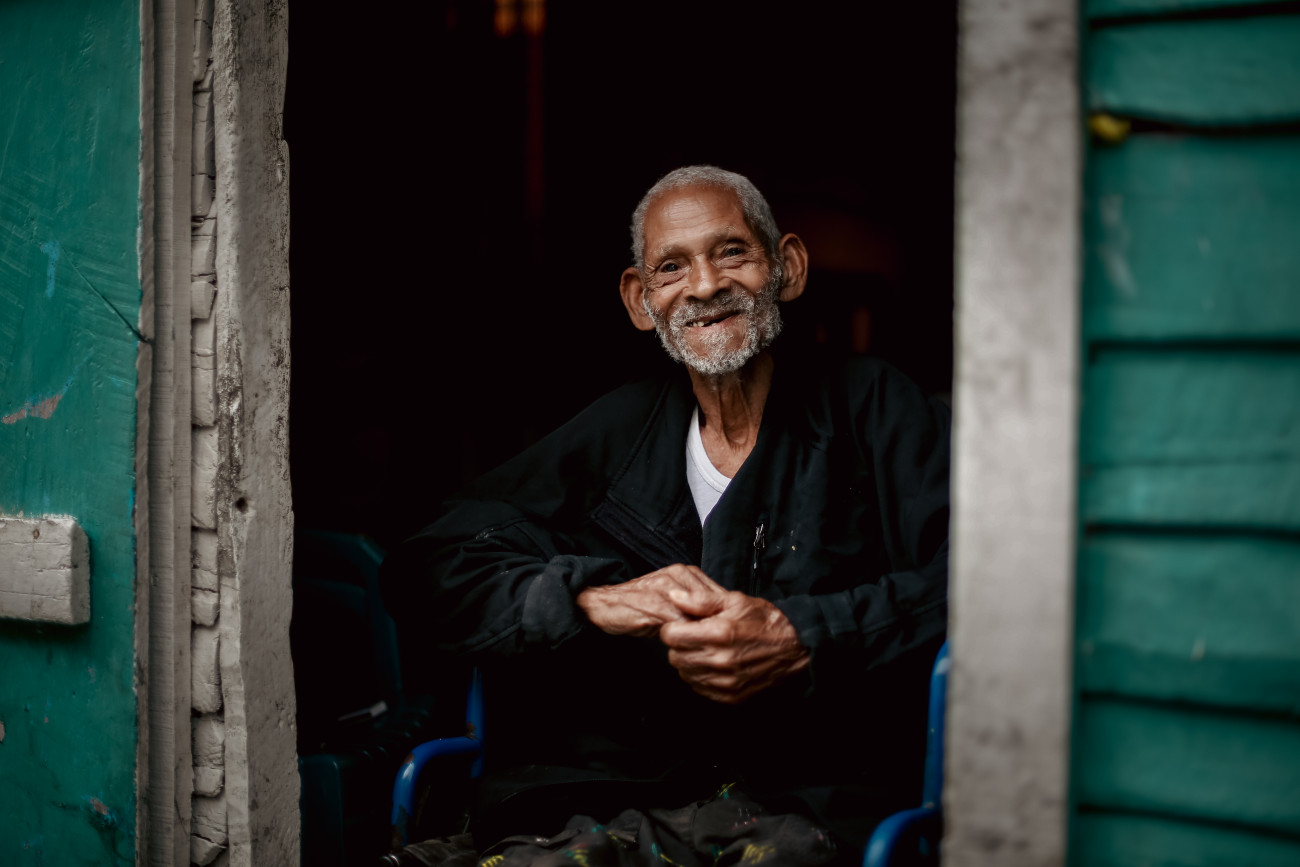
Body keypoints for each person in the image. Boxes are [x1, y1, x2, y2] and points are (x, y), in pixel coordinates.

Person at [381, 166, 950, 866]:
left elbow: (977, 586)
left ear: (789, 268)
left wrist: (805, 635)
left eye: (732, 252)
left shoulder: (878, 410)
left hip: (812, 801)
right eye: (672, 267)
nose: (705, 285)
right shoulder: (619, 431)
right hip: (618, 795)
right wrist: (587, 599)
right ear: (640, 300)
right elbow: (427, 563)